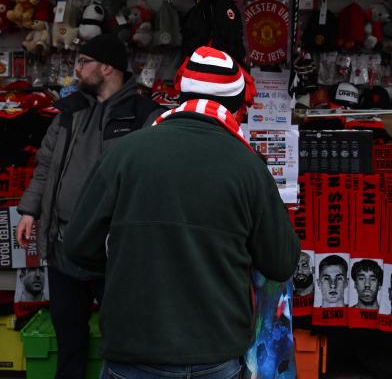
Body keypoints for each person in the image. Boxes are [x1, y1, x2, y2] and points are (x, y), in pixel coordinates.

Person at [64, 45, 300, 379]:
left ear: (181, 96)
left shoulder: (125, 154)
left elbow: (76, 246)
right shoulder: (248, 166)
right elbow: (281, 261)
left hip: (133, 348)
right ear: (236, 105)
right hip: (215, 351)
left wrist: (126, 258)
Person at [16, 33, 161, 379]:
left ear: (107, 68)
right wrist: (29, 210)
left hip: (113, 252)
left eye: (83, 63)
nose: (76, 70)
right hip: (63, 244)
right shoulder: (69, 111)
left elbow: (153, 179)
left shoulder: (143, 115)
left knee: (122, 338)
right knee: (69, 339)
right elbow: (46, 165)